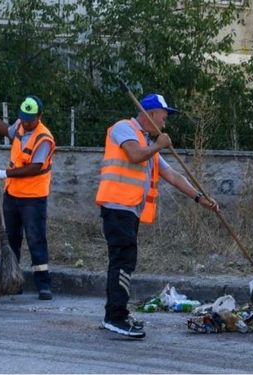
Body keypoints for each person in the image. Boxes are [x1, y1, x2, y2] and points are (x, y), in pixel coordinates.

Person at [95, 93, 219, 339]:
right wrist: (158, 145)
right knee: (122, 261)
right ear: (150, 114)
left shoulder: (145, 140)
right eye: (164, 116)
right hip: (117, 207)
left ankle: (116, 312)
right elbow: (133, 154)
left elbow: (172, 174)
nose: (165, 121)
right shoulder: (124, 128)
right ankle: (115, 317)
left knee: (125, 261)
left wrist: (199, 198)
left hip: (129, 210)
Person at [0, 96, 56, 300]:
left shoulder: (44, 138)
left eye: (30, 119)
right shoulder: (21, 124)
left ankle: (43, 285)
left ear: (39, 116)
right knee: (11, 240)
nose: (26, 123)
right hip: (12, 195)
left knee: (36, 239)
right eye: (24, 118)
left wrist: (6, 174)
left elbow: (34, 167)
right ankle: (12, 281)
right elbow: (7, 132)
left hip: (33, 198)